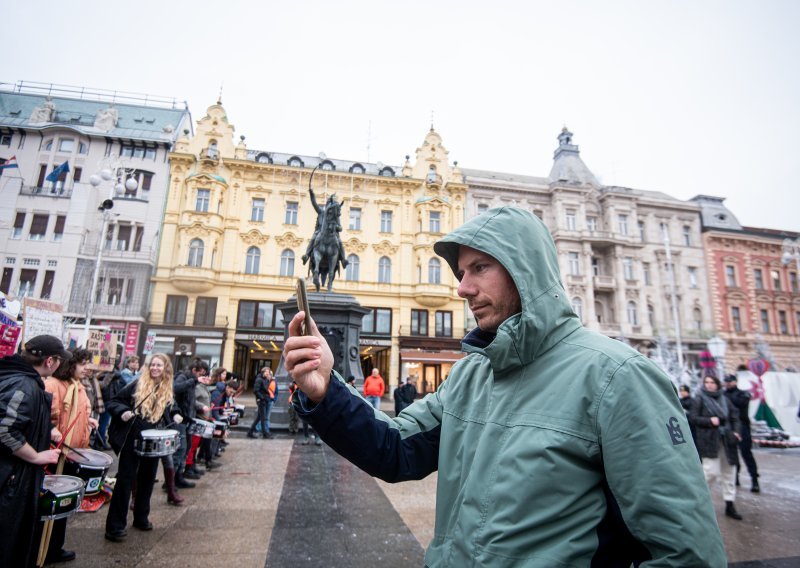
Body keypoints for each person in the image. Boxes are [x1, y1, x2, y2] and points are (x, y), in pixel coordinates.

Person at [283, 206, 726, 566]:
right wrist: (326, 389)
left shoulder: (617, 377)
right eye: (461, 272)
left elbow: (686, 553)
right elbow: (396, 449)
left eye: (480, 268)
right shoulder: (472, 375)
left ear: (524, 270)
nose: (463, 287)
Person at [0, 335, 67, 567]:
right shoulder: (24, 384)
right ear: (50, 361)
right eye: (59, 360)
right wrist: (37, 456)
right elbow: (5, 431)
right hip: (11, 478)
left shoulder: (19, 378)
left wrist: (43, 429)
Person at [105, 353, 182, 542]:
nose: (155, 368)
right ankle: (115, 527)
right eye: (152, 365)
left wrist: (176, 415)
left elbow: (172, 408)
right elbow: (114, 402)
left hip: (154, 439)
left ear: (165, 368)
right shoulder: (137, 384)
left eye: (159, 365)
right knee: (125, 480)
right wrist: (123, 412)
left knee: (147, 480)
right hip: (133, 436)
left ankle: (141, 518)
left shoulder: (166, 387)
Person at [43, 347, 96, 564]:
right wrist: (50, 429)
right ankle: (44, 550)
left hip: (73, 454)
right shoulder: (52, 385)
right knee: (50, 507)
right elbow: (43, 415)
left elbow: (82, 412)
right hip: (56, 454)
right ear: (70, 364)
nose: (87, 369)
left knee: (64, 505)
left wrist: (88, 421)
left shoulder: (78, 387)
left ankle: (55, 546)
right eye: (83, 364)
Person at [690, 374, 743, 520]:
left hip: (727, 441)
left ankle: (730, 504)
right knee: (710, 472)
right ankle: (699, 503)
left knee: (729, 472)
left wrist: (736, 432)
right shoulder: (699, 399)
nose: (708, 385)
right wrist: (708, 421)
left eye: (712, 382)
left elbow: (735, 417)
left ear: (717, 384)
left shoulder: (725, 399)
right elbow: (693, 418)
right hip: (709, 440)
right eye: (706, 382)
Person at [724, 374, 760, 493]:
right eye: (726, 381)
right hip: (729, 426)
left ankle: (754, 480)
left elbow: (740, 403)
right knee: (732, 454)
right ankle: (736, 478)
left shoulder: (742, 394)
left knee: (746, 453)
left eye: (730, 381)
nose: (728, 383)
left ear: (735, 382)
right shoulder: (724, 394)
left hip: (742, 426)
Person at [248, 367, 277, 439]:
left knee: (259, 418)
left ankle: (250, 432)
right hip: (261, 401)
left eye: (269, 372)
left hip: (264, 400)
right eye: (267, 372)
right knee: (263, 418)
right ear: (263, 372)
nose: (268, 373)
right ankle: (265, 434)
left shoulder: (265, 379)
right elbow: (256, 391)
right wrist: (262, 398)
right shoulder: (259, 380)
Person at [678, 384, 698, 448]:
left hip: (691, 425)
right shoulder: (679, 401)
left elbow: (694, 414)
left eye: (683, 391)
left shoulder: (692, 401)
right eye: (680, 391)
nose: (682, 392)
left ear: (687, 391)